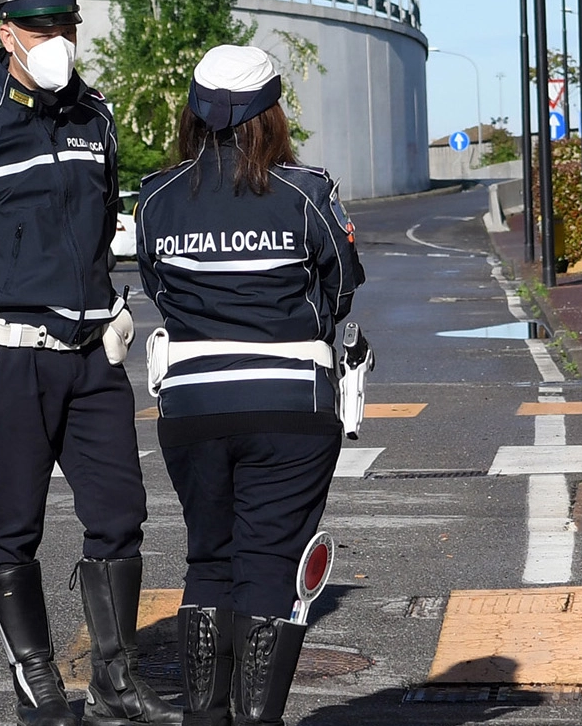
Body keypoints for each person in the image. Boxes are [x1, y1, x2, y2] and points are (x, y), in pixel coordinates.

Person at [0, 0, 180, 726]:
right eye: (40, 27)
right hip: (12, 358)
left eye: (66, 26)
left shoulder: (96, 119)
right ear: (6, 35)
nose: (57, 40)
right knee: (13, 525)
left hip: (94, 356)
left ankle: (115, 682)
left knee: (120, 515)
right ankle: (36, 683)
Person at [133, 44, 366, 726]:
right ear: (270, 115)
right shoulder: (306, 191)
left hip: (191, 404)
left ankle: (205, 720)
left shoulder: (157, 197)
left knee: (208, 560)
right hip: (290, 405)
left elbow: (158, 288)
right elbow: (343, 283)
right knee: (270, 569)